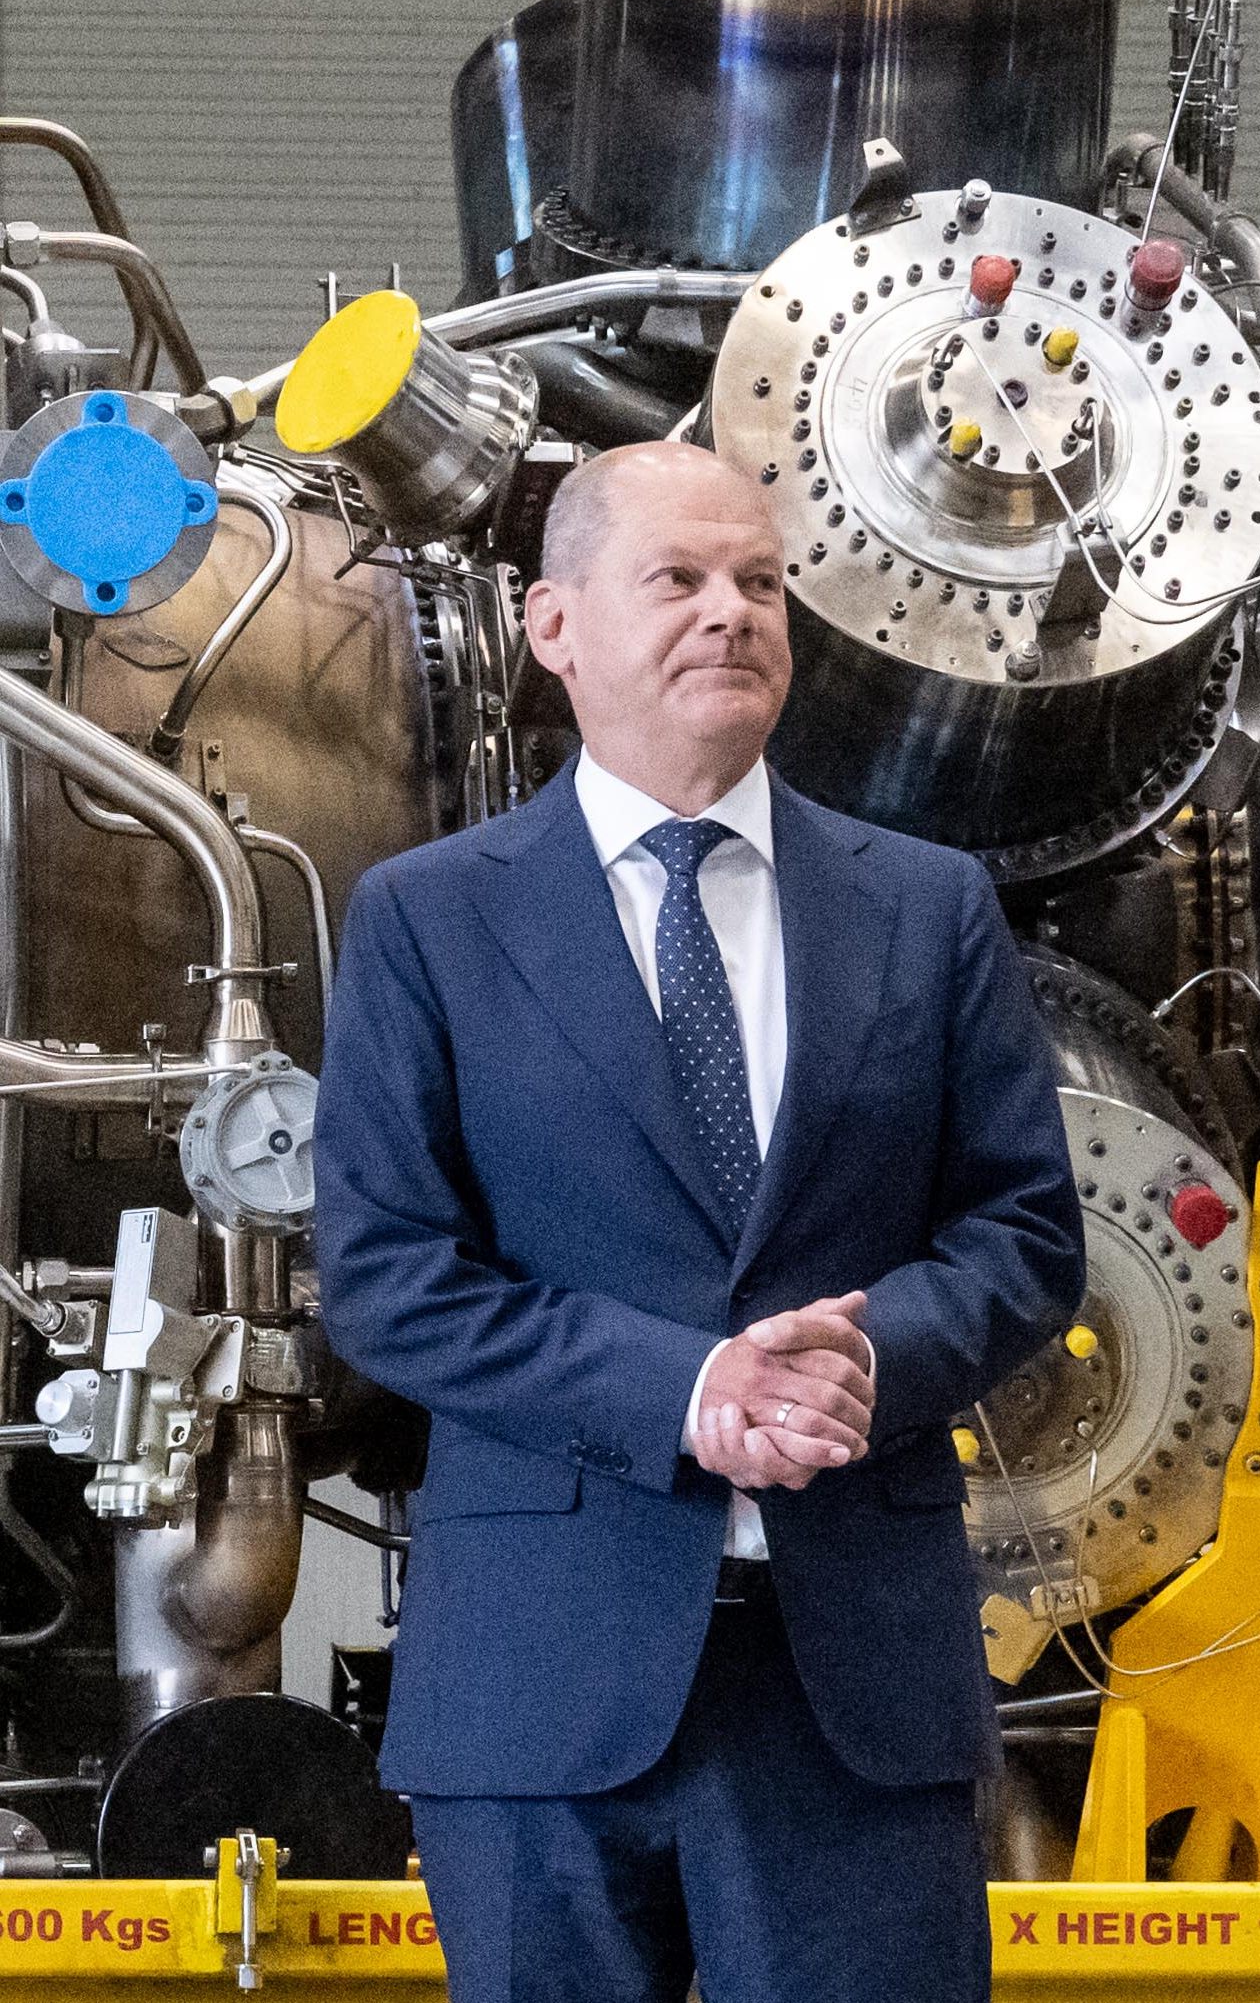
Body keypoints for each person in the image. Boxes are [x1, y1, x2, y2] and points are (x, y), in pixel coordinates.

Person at [315, 439, 1085, 2003]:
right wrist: (688, 1391)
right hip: (544, 1689)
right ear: (554, 629)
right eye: (676, 579)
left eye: (758, 582)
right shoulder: (429, 917)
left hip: (849, 1694)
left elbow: (1023, 1233)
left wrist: (876, 1361)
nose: (728, 613)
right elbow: (388, 1278)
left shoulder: (924, 906)